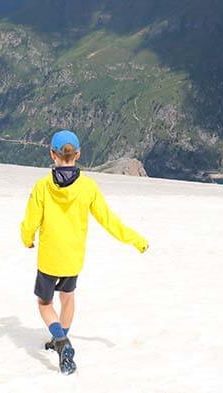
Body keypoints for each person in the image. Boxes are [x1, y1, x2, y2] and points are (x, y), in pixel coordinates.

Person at [20, 130, 149, 375]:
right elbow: (110, 221)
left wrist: (26, 239)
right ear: (78, 155)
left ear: (52, 154)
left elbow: (30, 222)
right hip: (73, 258)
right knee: (67, 299)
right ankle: (61, 339)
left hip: (49, 258)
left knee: (44, 303)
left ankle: (60, 340)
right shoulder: (88, 187)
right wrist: (136, 240)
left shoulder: (43, 187)